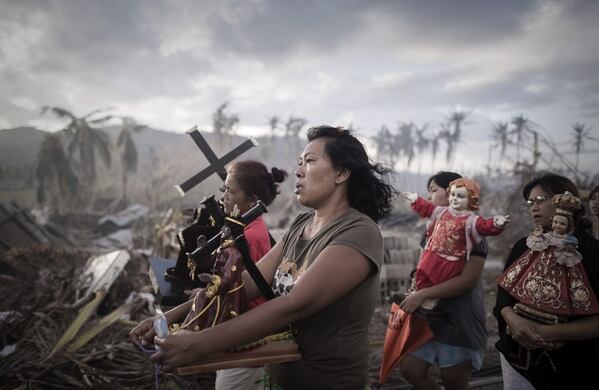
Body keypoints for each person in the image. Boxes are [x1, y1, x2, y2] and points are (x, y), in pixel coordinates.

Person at [130, 126, 396, 390]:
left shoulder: (359, 232)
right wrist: (169, 319)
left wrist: (199, 344)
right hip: (278, 377)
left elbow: (294, 305)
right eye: (299, 162)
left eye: (310, 161)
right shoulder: (300, 225)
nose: (298, 171)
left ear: (342, 173)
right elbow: (245, 284)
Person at [144, 160, 287, 390]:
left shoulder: (250, 236)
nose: (224, 197)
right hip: (234, 325)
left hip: (245, 332)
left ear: (252, 200)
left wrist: (205, 291)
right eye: (224, 190)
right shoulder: (245, 228)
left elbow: (238, 289)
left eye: (231, 191)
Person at [494, 173, 599, 390]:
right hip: (516, 357)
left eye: (540, 200)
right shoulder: (525, 245)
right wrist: (513, 320)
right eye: (530, 203)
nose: (533, 207)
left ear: (564, 200)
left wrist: (547, 333)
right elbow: (503, 294)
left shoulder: (592, 252)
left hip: (573, 365)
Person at [396, 172, 491, 390]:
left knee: (455, 382)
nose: (428, 197)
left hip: (457, 318)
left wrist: (422, 295)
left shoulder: (472, 230)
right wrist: (416, 281)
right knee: (410, 369)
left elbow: (467, 281)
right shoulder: (433, 228)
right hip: (428, 316)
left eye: (433, 190)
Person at [402, 177, 510, 309]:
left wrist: (496, 223)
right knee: (423, 273)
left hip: (451, 259)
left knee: (440, 278)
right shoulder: (441, 212)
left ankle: (428, 298)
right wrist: (416, 200)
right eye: (452, 194)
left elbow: (485, 226)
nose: (455, 198)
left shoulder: (471, 221)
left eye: (460, 196)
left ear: (471, 199)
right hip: (432, 253)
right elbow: (427, 208)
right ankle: (416, 293)